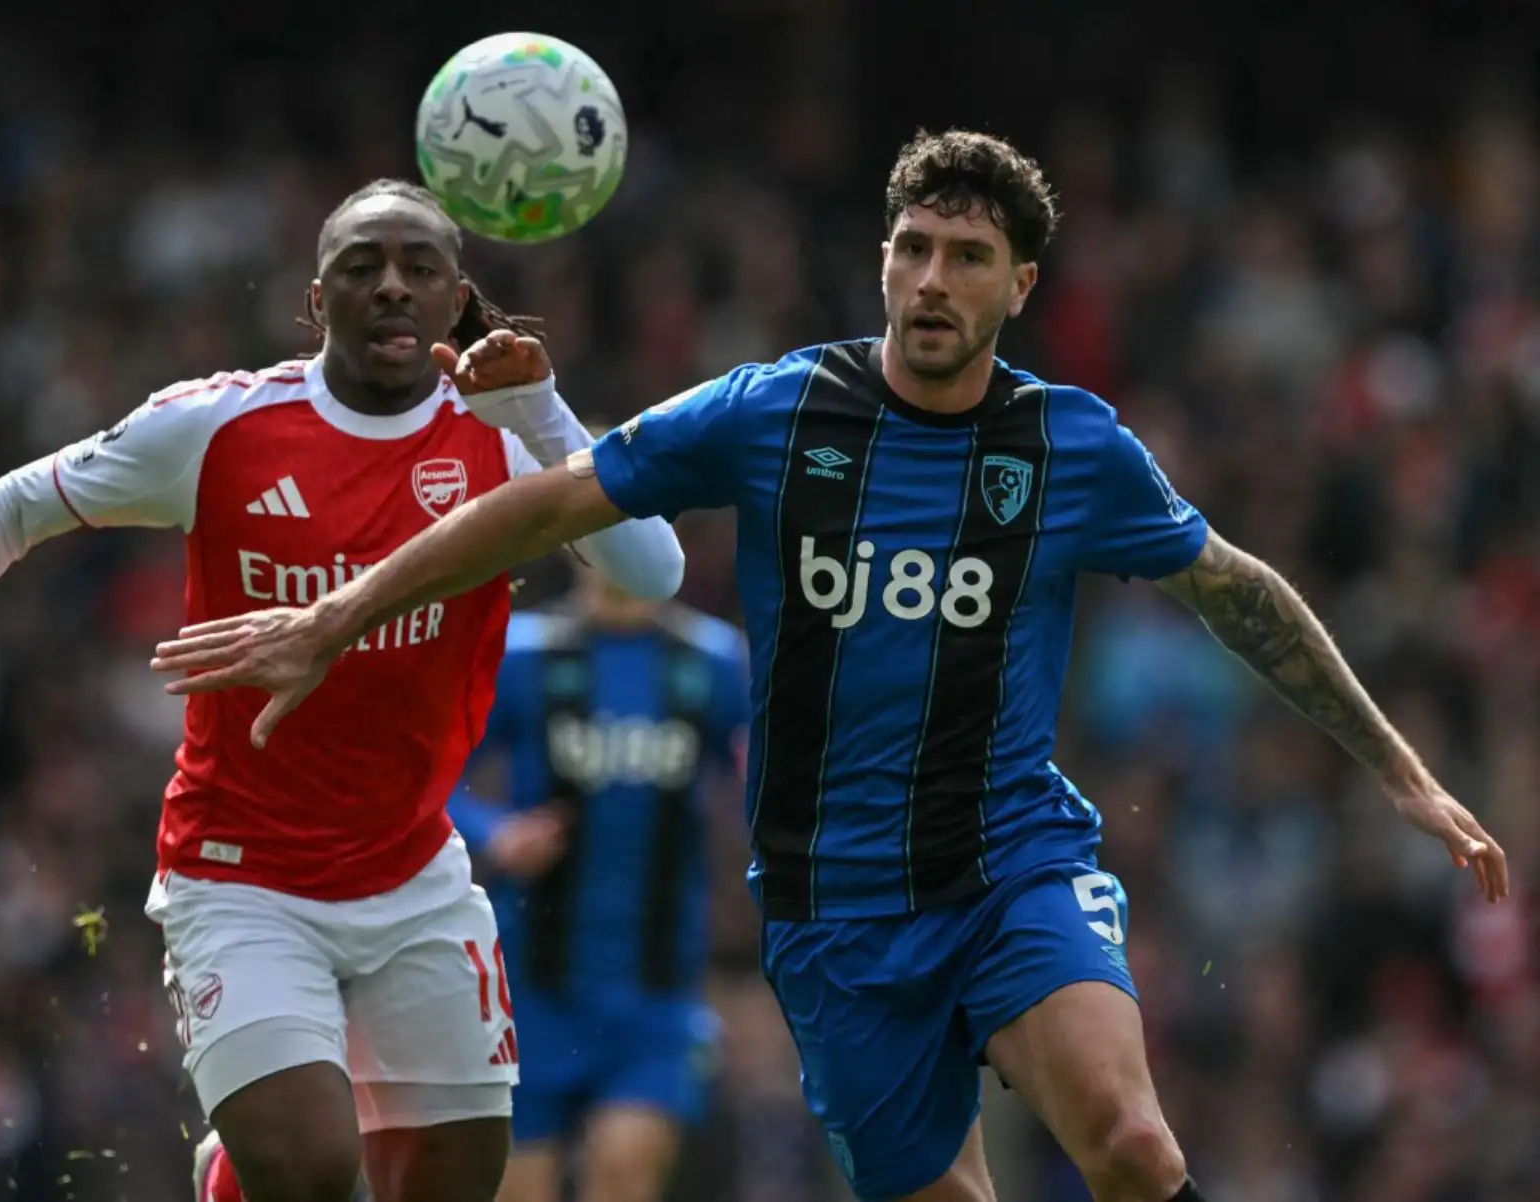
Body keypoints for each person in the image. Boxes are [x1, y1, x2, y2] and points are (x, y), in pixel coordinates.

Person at [145, 131, 1512, 1202]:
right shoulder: (773, 409)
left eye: (967, 257)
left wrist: (1403, 775)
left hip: (1009, 862)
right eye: (913, 248)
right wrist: (338, 615)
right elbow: (549, 503)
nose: (931, 280)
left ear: (1018, 287)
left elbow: (1238, 592)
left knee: (1135, 1145)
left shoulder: (1072, 447)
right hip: (831, 912)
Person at [0, 179, 686, 1202]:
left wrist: (541, 409)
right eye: (362, 267)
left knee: (453, 1181)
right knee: (310, 1170)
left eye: (419, 268)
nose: (391, 286)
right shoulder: (221, 427)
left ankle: (232, 1167)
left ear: (457, 298)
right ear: (315, 302)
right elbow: (14, 507)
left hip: (414, 868)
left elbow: (654, 571)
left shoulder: (504, 439)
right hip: (241, 873)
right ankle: (240, 1171)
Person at [449, 562, 748, 1202]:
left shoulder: (715, 662)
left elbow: (769, 783)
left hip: (658, 993)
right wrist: (494, 834)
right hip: (532, 989)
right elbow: (439, 778)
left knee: (623, 1171)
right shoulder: (522, 654)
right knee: (520, 1189)